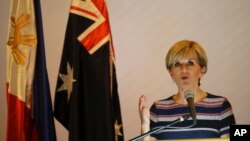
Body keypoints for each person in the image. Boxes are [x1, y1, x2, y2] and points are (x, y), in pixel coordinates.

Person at [139, 40, 236, 140]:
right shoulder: (158, 109)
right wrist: (145, 125)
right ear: (171, 72)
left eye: (190, 63)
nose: (183, 69)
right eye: (177, 64)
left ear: (202, 70)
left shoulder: (220, 106)